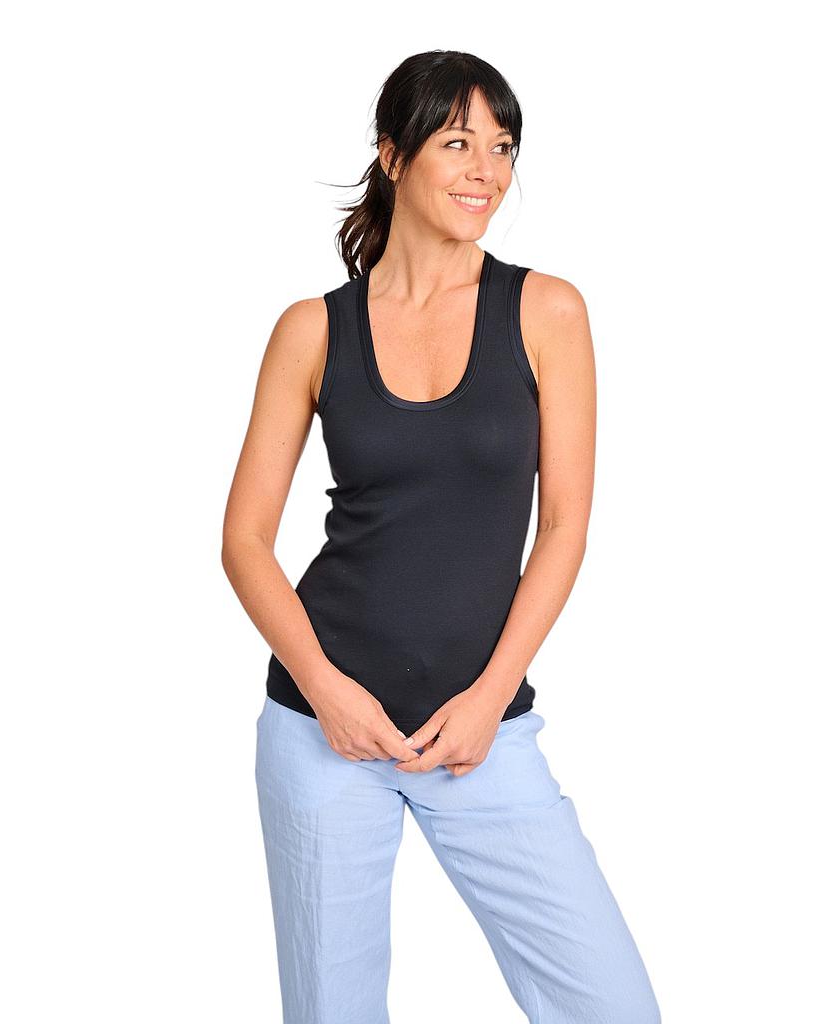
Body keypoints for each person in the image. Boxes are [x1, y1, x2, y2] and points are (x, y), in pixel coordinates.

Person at [222, 50, 661, 1024]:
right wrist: (325, 691)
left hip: (481, 733)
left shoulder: (546, 310)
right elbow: (245, 539)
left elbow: (564, 527)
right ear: (393, 155)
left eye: (502, 147)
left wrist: (491, 698)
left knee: (612, 1006)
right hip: (321, 729)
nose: (486, 171)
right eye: (458, 142)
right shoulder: (313, 329)